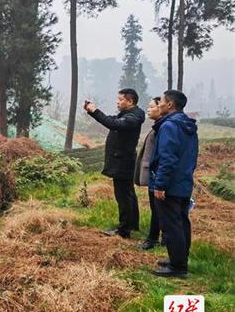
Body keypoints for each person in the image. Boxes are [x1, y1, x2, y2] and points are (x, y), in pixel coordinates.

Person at [149, 90, 198, 278]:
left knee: (171, 226)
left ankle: (177, 267)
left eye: (161, 101)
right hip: (183, 182)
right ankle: (179, 259)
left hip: (169, 185)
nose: (159, 104)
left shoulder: (169, 126)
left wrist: (160, 185)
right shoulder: (187, 126)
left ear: (170, 105)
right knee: (181, 222)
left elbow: (167, 158)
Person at [84, 88, 145, 238]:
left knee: (123, 196)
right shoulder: (129, 115)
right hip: (123, 160)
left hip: (123, 162)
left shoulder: (132, 118)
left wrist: (95, 111)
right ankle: (132, 224)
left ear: (130, 101)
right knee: (128, 193)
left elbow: (113, 124)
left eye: (121, 100)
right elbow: (112, 120)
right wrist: (93, 112)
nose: (117, 102)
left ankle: (124, 230)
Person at [134, 97, 164, 250]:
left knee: (158, 209)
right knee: (158, 209)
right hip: (155, 175)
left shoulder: (163, 129)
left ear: (161, 108)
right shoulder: (157, 127)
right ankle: (163, 238)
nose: (148, 109)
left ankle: (153, 239)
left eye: (151, 106)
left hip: (157, 176)